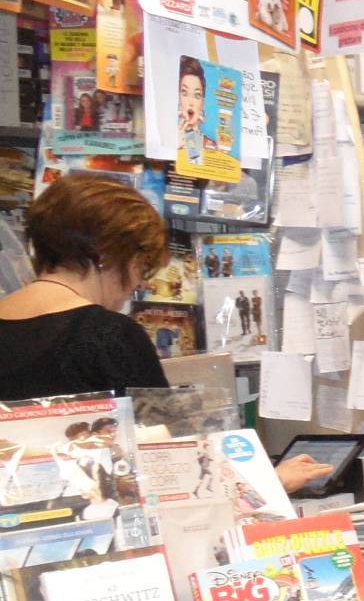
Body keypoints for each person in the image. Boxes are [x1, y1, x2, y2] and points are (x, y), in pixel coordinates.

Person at [0, 175, 333, 493]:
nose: (140, 283)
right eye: (141, 266)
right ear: (105, 255)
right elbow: (169, 464)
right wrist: (268, 482)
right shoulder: (107, 335)